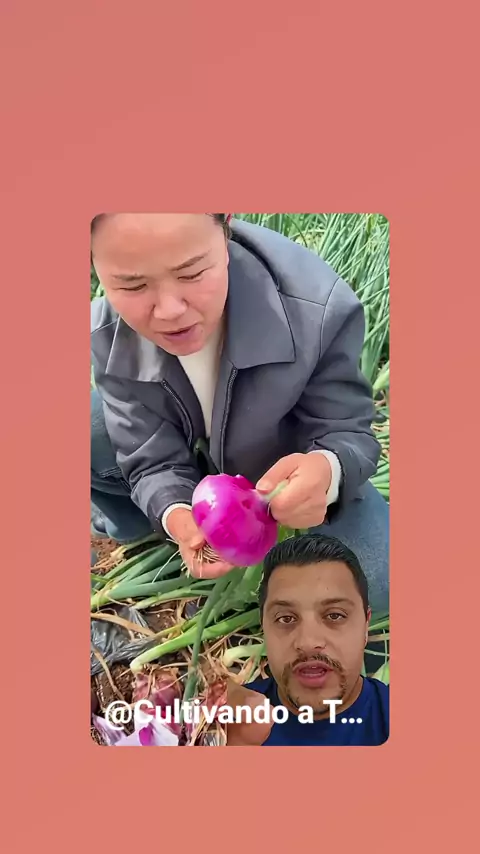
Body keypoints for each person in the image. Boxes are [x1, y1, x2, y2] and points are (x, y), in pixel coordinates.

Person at [90, 213, 389, 614]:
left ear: (226, 222)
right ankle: (140, 530)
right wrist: (178, 516)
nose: (170, 310)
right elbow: (148, 456)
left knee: (378, 581)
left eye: (192, 273)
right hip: (199, 471)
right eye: (133, 285)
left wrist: (327, 470)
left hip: (282, 484)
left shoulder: (317, 308)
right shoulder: (106, 330)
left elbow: (348, 430)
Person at [226, 534, 389, 746]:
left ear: (365, 626)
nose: (308, 642)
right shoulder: (227, 723)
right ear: (264, 627)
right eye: (285, 618)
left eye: (335, 615)